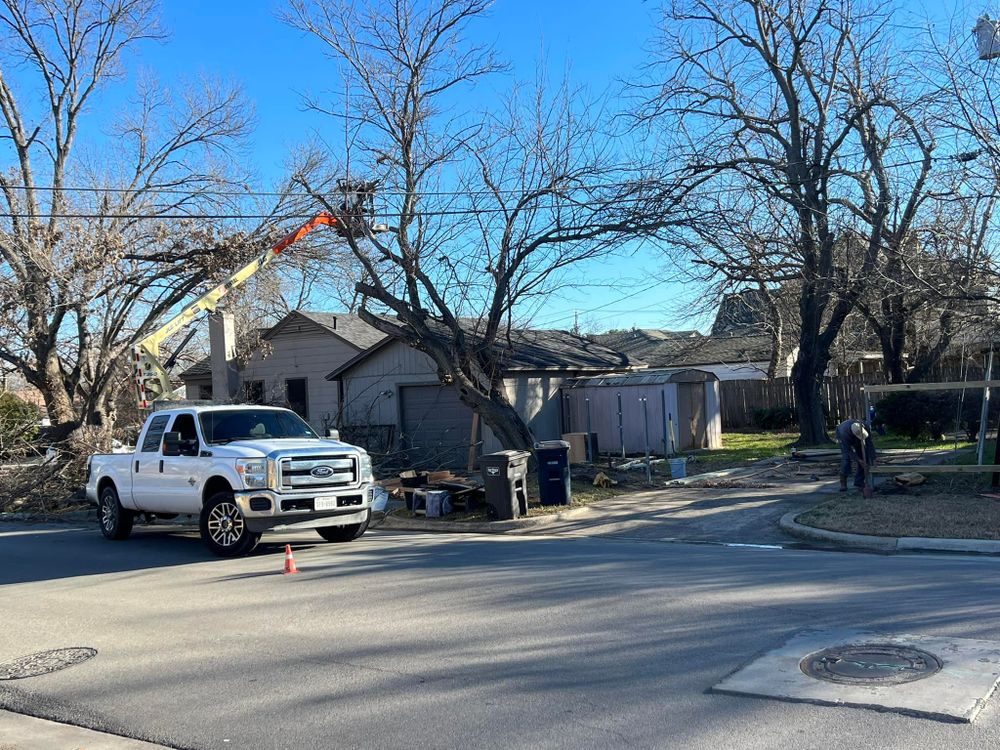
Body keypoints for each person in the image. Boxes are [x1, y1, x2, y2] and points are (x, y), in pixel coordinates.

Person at [835, 419, 876, 492]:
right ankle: (843, 482)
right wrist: (859, 461)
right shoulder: (844, 433)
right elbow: (848, 451)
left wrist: (873, 459)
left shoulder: (865, 427)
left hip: (856, 434)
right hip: (843, 434)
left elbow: (870, 444)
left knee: (864, 457)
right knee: (846, 459)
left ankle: (859, 482)